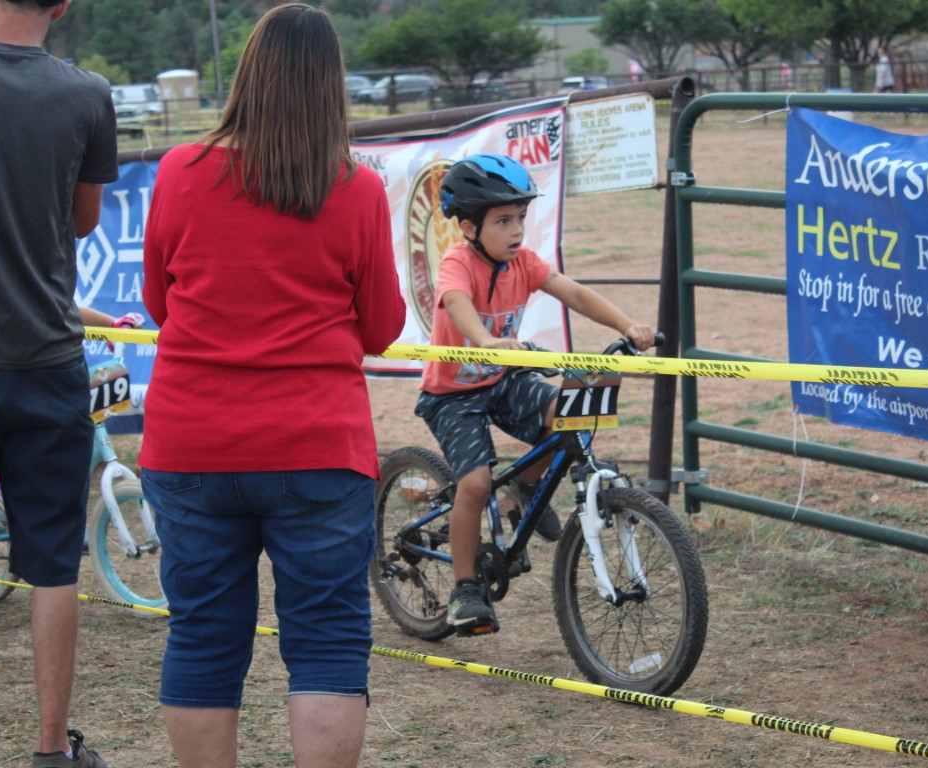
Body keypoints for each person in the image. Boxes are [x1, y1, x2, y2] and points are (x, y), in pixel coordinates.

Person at [137, 5, 406, 768]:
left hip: (192, 441)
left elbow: (160, 302)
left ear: (248, 75)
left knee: (201, 635)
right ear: (332, 86)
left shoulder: (179, 171)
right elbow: (381, 327)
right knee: (327, 641)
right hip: (317, 444)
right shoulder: (355, 189)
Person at [0, 1, 116, 766]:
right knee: (51, 566)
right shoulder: (87, 93)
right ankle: (51, 748)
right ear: (63, 4)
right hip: (46, 360)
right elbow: (82, 222)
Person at [415, 153, 655, 635]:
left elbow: (575, 293)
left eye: (520, 218)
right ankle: (465, 589)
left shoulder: (523, 263)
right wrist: (483, 340)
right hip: (453, 395)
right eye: (503, 221)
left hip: (503, 379)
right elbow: (456, 303)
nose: (517, 230)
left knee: (567, 413)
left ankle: (525, 491)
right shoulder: (458, 262)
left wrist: (626, 324)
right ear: (469, 227)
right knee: (475, 484)